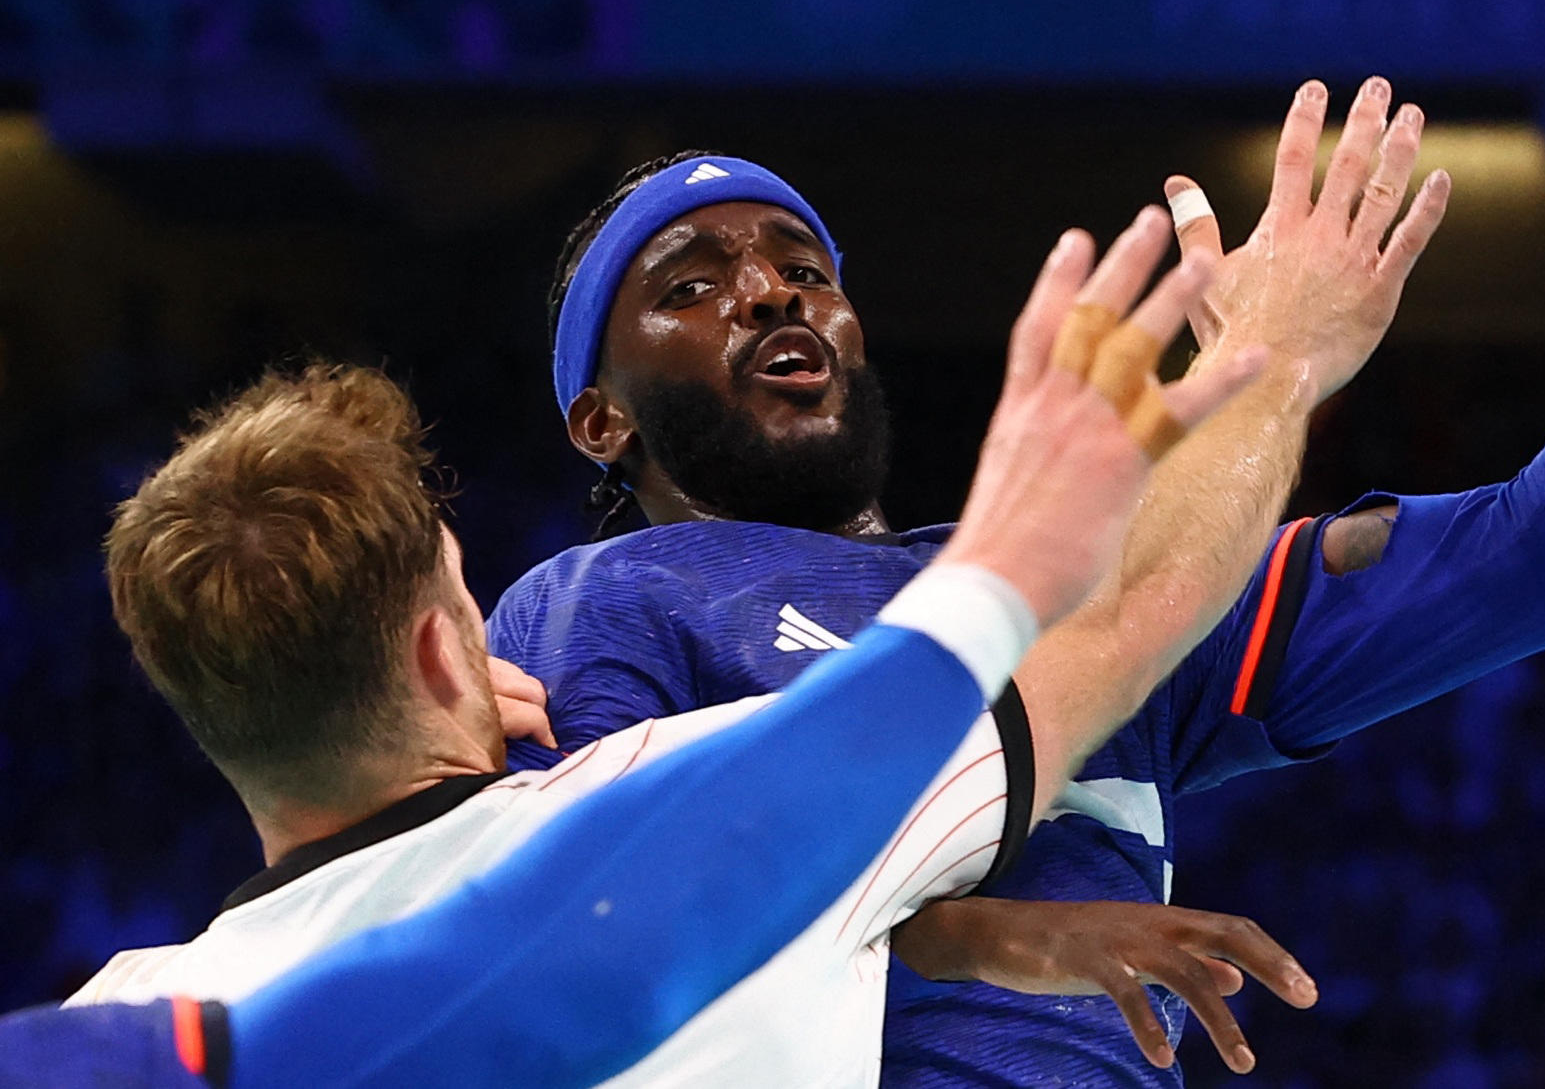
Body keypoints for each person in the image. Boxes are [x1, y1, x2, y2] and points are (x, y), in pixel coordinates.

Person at [490, 0, 1545, 1086]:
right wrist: (1000, 938)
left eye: (799, 264)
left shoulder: (1096, 600)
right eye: (689, 286)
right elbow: (630, 939)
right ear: (597, 414)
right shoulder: (593, 606)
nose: (766, 288)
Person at [66, 208, 1356, 1086]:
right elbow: (1127, 623)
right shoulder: (664, 813)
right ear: (439, 655)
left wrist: (978, 939)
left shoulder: (128, 1029)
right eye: (470, 597)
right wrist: (1273, 359)